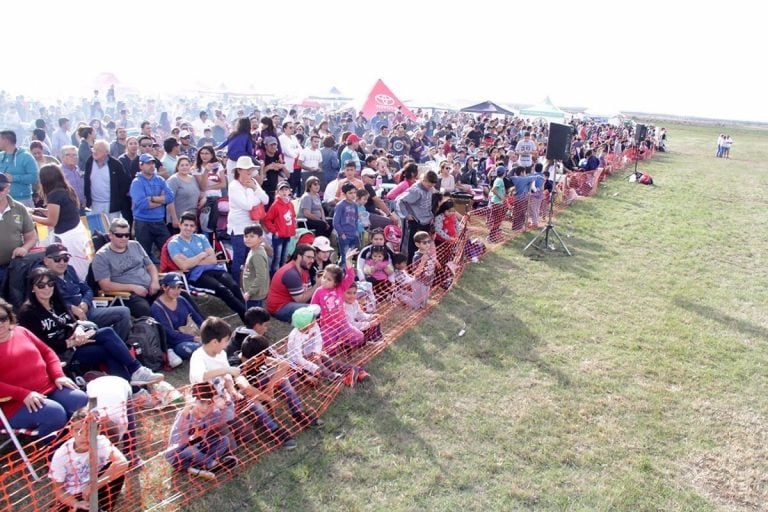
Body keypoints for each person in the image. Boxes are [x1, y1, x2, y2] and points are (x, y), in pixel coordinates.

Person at [18, 268, 164, 386]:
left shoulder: (56, 302)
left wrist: (79, 330)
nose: (47, 288)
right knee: (107, 346)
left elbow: (71, 323)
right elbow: (40, 345)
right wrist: (70, 343)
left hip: (75, 343)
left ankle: (133, 379)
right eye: (41, 285)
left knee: (107, 336)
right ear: (32, 288)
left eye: (50, 284)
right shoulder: (28, 312)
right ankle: (135, 376)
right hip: (60, 355)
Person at [188, 317, 297, 450]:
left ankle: (276, 431)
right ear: (215, 342)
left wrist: (232, 390)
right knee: (245, 437)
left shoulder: (221, 353)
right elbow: (202, 376)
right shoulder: (198, 357)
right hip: (209, 405)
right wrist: (227, 370)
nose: (227, 344)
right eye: (226, 340)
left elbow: (227, 378)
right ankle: (211, 435)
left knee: (253, 404)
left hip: (226, 397)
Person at [0, 298, 88, 440]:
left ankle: (80, 444)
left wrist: (58, 375)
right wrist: (23, 394)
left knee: (80, 400)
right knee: (55, 413)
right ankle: (55, 455)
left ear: (9, 317)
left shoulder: (21, 331)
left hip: (47, 387)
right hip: (13, 404)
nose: (0, 324)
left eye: (3, 318)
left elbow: (47, 352)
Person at [238, 308, 324, 428]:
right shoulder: (254, 342)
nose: (267, 329)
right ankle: (276, 427)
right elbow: (246, 386)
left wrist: (272, 384)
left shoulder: (240, 333)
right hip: (250, 383)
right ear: (257, 325)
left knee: (287, 377)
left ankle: (298, 412)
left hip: (258, 375)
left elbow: (281, 362)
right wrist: (269, 396)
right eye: (266, 325)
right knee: (286, 378)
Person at [40, 243, 131, 340]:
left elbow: (87, 289)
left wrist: (85, 302)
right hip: (68, 319)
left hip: (88, 311)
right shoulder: (43, 279)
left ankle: (120, 345)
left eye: (66, 258)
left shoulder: (70, 270)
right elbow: (47, 301)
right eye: (57, 259)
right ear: (46, 261)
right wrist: (71, 308)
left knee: (124, 312)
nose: (62, 262)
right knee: (107, 333)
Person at [168, 212, 246, 321]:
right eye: (185, 225)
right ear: (180, 225)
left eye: (191, 226)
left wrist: (191, 260)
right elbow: (184, 265)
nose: (188, 228)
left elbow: (213, 259)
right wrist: (202, 255)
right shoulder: (173, 244)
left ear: (195, 227)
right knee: (222, 290)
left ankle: (249, 315)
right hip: (197, 275)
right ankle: (248, 317)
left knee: (234, 286)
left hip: (215, 269)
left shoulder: (201, 238)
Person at [49, 407, 130, 511]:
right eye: (79, 430)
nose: (84, 436)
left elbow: (122, 463)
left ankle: (105, 508)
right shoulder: (61, 455)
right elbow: (58, 490)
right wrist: (76, 503)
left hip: (94, 484)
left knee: (116, 471)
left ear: (98, 430)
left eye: (90, 430)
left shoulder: (101, 442)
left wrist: (94, 486)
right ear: (71, 431)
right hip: (74, 495)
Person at [92, 217, 162, 318]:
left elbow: (150, 266)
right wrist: (133, 288)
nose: (124, 238)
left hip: (151, 287)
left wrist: (155, 282)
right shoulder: (101, 256)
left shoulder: (135, 245)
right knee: (147, 310)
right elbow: (105, 285)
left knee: (178, 294)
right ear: (110, 235)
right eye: (119, 235)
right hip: (128, 295)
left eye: (127, 235)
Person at [166, 381, 237, 480]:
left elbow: (229, 416)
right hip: (179, 455)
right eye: (202, 402)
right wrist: (187, 406)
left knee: (224, 440)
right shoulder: (186, 415)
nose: (205, 407)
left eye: (209, 403)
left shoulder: (211, 414)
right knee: (190, 450)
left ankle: (199, 468)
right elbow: (183, 421)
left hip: (199, 449)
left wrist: (226, 404)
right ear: (193, 401)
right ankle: (211, 465)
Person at [30, 164, 91, 279]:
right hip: (78, 232)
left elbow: (52, 221)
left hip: (68, 238)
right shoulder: (66, 190)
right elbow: (61, 212)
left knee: (73, 269)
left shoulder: (55, 195)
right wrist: (40, 211)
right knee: (82, 265)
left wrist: (31, 217)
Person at [286, 305, 369, 387]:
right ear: (307, 325)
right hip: (299, 363)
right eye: (313, 319)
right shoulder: (294, 337)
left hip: (312, 354)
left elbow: (318, 340)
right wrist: (314, 368)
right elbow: (298, 358)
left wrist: (316, 353)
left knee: (329, 361)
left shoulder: (314, 326)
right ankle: (339, 379)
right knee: (321, 367)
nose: (316, 320)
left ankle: (357, 370)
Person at [311, 248, 364, 354]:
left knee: (359, 337)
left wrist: (348, 261)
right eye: (324, 277)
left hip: (343, 324)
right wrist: (311, 324)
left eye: (329, 279)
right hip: (327, 326)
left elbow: (350, 277)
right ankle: (336, 343)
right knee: (329, 350)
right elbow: (312, 308)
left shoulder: (340, 288)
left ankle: (345, 343)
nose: (324, 280)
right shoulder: (319, 291)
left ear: (336, 283)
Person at [227, 155, 269, 285]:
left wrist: (255, 188)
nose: (249, 172)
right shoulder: (234, 185)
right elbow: (247, 205)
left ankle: (248, 285)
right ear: (239, 170)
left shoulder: (254, 182)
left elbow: (266, 200)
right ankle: (236, 288)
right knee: (239, 260)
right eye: (246, 169)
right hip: (239, 228)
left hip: (253, 226)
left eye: (250, 169)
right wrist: (255, 195)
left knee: (251, 259)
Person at [151, 273, 203, 366]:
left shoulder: (181, 299)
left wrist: (207, 330)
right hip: (177, 343)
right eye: (173, 287)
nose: (177, 291)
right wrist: (194, 339)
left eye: (179, 287)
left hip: (193, 334)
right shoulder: (157, 307)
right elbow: (169, 333)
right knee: (196, 348)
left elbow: (196, 317)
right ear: (164, 287)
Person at [131, 153, 175, 259]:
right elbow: (142, 204)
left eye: (153, 163)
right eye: (148, 163)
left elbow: (170, 197)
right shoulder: (137, 182)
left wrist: (152, 198)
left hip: (159, 221)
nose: (152, 166)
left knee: (169, 251)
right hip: (142, 223)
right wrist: (161, 200)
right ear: (141, 166)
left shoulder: (160, 180)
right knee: (144, 255)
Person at [0, 173, 37, 284]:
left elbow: (31, 237)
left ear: (8, 188)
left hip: (15, 267)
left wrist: (24, 248)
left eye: (0, 188)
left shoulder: (19, 208)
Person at [265, 244, 317, 323]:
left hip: (290, 303)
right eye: (309, 257)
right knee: (315, 310)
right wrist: (317, 284)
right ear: (299, 256)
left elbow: (309, 292)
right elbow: (300, 300)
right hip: (279, 308)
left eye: (313, 258)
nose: (312, 261)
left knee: (321, 305)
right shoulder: (291, 273)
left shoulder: (304, 268)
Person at [84, 140, 132, 220]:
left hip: (112, 206)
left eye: (98, 150)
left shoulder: (116, 164)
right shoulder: (89, 162)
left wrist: (118, 199)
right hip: (94, 205)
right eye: (93, 149)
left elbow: (124, 184)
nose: (95, 152)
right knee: (97, 230)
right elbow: (86, 182)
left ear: (106, 152)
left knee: (113, 229)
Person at [397, 169, 438, 262]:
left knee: (423, 245)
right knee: (411, 246)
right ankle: (407, 267)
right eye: (429, 185)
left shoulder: (430, 189)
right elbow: (400, 201)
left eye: (432, 186)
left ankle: (421, 266)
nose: (430, 187)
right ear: (424, 180)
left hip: (425, 222)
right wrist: (406, 215)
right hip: (414, 222)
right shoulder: (415, 190)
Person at [263, 181, 297, 275]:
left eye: (286, 189)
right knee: (277, 258)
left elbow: (293, 216)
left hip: (288, 234)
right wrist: (275, 231)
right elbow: (267, 219)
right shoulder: (275, 205)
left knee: (284, 257)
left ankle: (282, 277)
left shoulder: (290, 204)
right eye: (282, 190)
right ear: (278, 192)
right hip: (279, 236)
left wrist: (294, 225)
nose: (284, 192)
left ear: (290, 191)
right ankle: (274, 277)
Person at [0, 130, 39, 206]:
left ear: (6, 141)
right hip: (2, 200)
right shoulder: (0, 156)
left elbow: (34, 177)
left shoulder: (26, 157)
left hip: (22, 200)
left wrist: (14, 178)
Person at [167, 156, 204, 230]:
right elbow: (169, 200)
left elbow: (198, 193)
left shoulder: (193, 178)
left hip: (192, 219)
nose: (185, 167)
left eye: (187, 165)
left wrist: (204, 198)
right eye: (182, 165)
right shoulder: (173, 180)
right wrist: (174, 219)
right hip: (179, 220)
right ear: (177, 167)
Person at [217, 117, 255, 184]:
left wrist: (215, 148)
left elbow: (223, 144)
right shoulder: (247, 136)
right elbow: (249, 152)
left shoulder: (233, 134)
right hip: (242, 162)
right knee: (243, 183)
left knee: (232, 183)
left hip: (231, 161)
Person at [242, 224, 270, 309]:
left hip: (255, 294)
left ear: (260, 239)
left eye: (252, 236)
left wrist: (250, 292)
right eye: (246, 236)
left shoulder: (257, 254)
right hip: (254, 293)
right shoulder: (254, 250)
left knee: (254, 317)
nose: (248, 239)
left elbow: (261, 276)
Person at [333, 183, 359, 267]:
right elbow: (336, 222)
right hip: (344, 236)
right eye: (350, 193)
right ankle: (341, 274)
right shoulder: (340, 205)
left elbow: (356, 219)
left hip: (353, 235)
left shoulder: (355, 205)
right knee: (344, 257)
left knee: (350, 257)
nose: (353, 195)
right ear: (344, 194)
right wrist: (341, 234)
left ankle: (349, 275)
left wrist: (356, 232)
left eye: (354, 193)